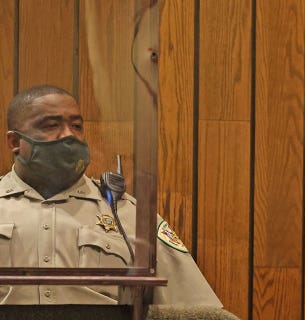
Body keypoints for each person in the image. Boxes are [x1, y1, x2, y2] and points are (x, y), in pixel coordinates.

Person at [0, 85, 223, 306]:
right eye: (51, 125)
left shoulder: (128, 214)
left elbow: (196, 308)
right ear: (14, 142)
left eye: (76, 126)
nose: (69, 135)